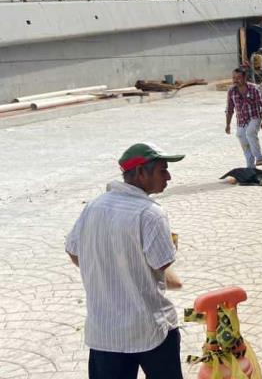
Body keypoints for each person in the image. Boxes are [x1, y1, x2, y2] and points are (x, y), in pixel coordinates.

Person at [66, 143, 185, 379]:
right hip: (148, 329)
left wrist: (107, 271)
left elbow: (73, 251)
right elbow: (162, 264)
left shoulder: (93, 206)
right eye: (163, 170)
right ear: (141, 173)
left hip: (104, 333)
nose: (169, 176)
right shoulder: (150, 213)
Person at [226, 67, 262, 168]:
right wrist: (227, 124)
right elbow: (229, 109)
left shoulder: (255, 88)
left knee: (250, 133)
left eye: (238, 77)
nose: (235, 80)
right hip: (241, 120)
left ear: (245, 78)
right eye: (234, 78)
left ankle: (259, 158)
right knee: (241, 137)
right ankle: (250, 166)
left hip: (255, 117)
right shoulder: (231, 91)